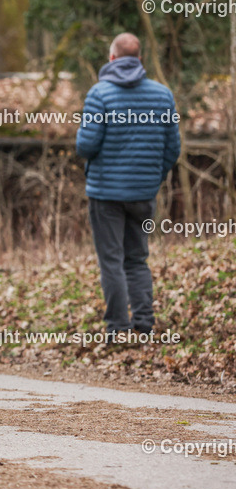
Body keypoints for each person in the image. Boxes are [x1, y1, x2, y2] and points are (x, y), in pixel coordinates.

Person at [76, 33, 180, 338]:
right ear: (140, 60)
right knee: (137, 259)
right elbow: (173, 149)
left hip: (105, 194)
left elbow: (86, 146)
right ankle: (145, 324)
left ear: (111, 59)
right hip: (144, 194)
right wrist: (153, 178)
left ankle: (118, 328)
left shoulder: (100, 94)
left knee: (111, 261)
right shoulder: (163, 95)